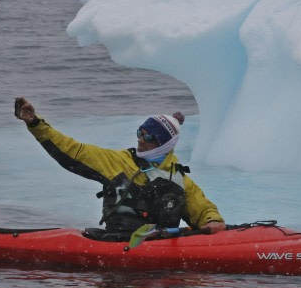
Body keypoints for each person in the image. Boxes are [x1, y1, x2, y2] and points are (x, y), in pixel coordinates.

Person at [14, 97, 225, 236]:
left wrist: (213, 220)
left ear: (164, 144)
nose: (140, 139)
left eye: (148, 137)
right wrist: (35, 124)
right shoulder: (117, 161)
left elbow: (203, 208)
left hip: (159, 248)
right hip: (116, 242)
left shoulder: (179, 179)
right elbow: (72, 150)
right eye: (140, 133)